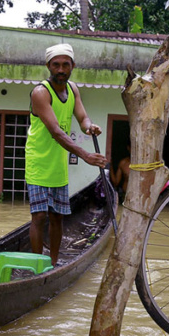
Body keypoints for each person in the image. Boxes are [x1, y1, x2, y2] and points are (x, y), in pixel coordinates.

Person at [26, 43, 109, 266]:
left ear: (73, 66)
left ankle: (52, 264)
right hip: (38, 162)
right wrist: (86, 156)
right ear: (48, 66)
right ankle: (36, 265)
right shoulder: (41, 93)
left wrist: (89, 126)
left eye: (65, 65)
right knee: (40, 216)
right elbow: (56, 132)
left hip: (58, 164)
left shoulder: (73, 89)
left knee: (57, 217)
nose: (61, 69)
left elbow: (82, 117)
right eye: (56, 65)